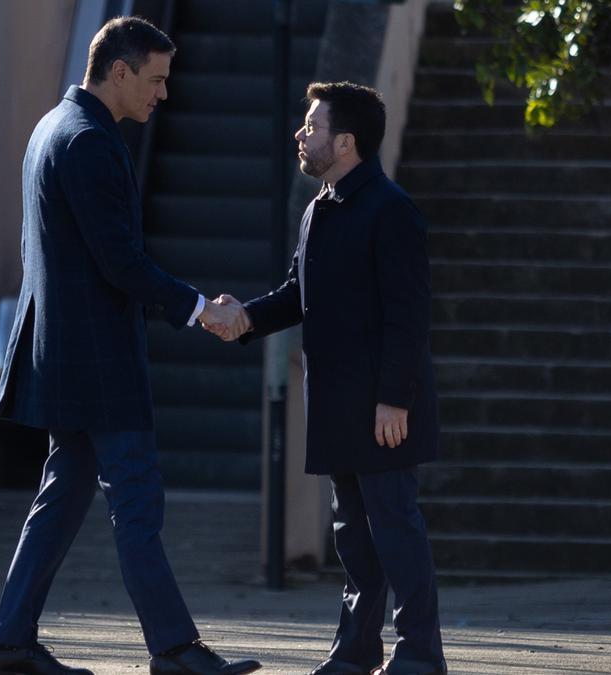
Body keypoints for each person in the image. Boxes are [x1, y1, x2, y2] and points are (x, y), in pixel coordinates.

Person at [0, 17, 257, 675]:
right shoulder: (89, 143)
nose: (162, 94)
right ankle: (174, 648)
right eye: (156, 79)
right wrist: (199, 307)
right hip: (99, 362)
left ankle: (12, 643)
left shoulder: (52, 128)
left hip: (67, 356)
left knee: (60, 500)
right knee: (137, 502)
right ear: (120, 71)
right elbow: (121, 262)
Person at [205, 82, 446, 675]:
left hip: (382, 407)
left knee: (396, 531)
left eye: (311, 126)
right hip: (337, 404)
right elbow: (296, 295)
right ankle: (357, 651)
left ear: (345, 141)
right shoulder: (319, 208)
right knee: (355, 539)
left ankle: (420, 654)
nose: (300, 134)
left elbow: (409, 315)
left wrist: (395, 399)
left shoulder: (391, 209)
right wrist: (244, 320)